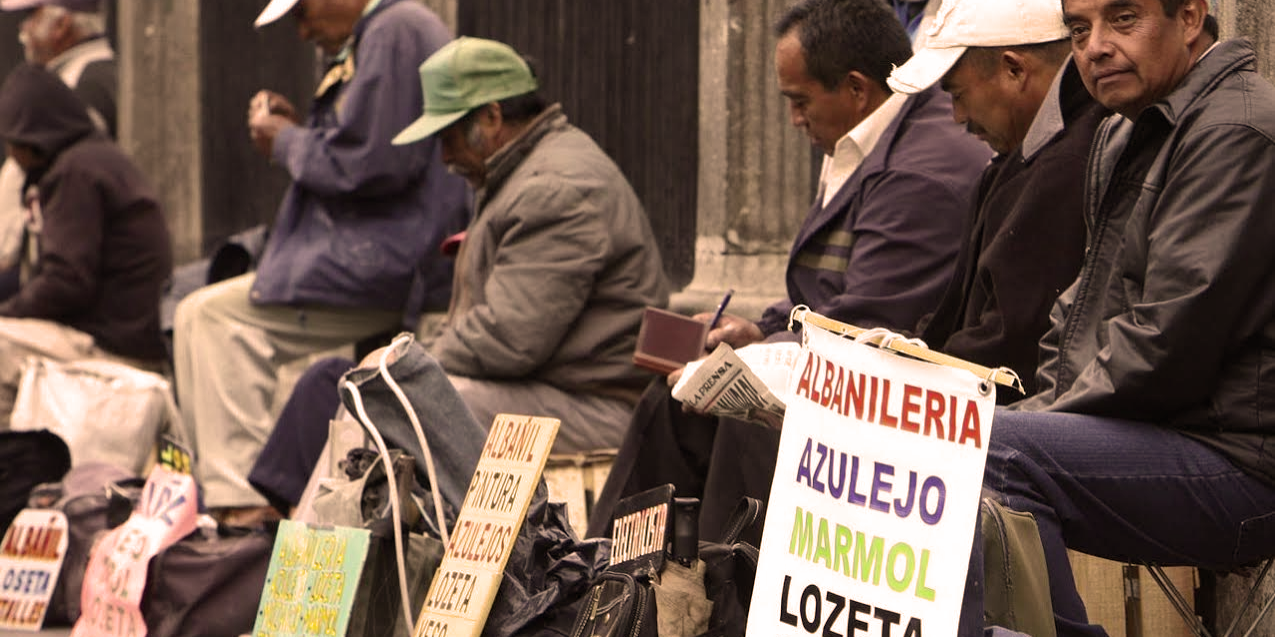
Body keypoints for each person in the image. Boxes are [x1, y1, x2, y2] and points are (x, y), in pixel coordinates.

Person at [586, 0, 991, 541]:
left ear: (855, 88)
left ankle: (727, 601)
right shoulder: (866, 139)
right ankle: (612, 578)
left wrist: (760, 353)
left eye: (800, 102)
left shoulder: (918, 174)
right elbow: (823, 292)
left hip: (894, 395)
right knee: (674, 400)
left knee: (741, 422)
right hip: (847, 365)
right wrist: (760, 329)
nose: (794, 120)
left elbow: (865, 325)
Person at [972, 0, 1275, 632]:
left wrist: (1026, 428)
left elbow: (1168, 344)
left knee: (994, 449)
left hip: (1245, 466)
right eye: (1080, 30)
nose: (1095, 47)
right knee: (964, 441)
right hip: (1174, 438)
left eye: (1123, 20)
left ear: (1189, 18)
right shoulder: (1126, 130)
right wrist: (1030, 418)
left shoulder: (1235, 129)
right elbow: (1077, 314)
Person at [172, 0, 469, 512]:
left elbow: (372, 164)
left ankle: (241, 504)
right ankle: (237, 496)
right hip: (387, 252)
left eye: (302, 12)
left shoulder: (395, 29)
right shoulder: (385, 32)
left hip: (392, 259)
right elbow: (368, 148)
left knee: (213, 318)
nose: (303, 30)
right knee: (199, 310)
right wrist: (302, 132)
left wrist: (287, 142)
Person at [391, 36, 670, 452]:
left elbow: (508, 339)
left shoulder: (553, 187)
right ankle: (327, 520)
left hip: (601, 410)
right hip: (557, 391)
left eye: (449, 137)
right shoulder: (523, 170)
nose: (445, 155)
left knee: (407, 402)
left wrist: (406, 362)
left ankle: (338, 521)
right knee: (380, 393)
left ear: (490, 117)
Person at [888, 0, 1107, 399]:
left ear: (1014, 69)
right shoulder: (1029, 156)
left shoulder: (1067, 166)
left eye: (957, 94)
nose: (957, 116)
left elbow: (1008, 350)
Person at [0, 63, 171, 422]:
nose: (11, 154)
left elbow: (67, 282)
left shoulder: (76, 173)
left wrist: (9, 312)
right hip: (124, 334)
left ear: (34, 138)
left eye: (13, 142)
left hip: (111, 346)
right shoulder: (97, 158)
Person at [0, 0, 115, 296]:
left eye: (30, 17)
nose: (22, 30)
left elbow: (64, 188)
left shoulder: (82, 85)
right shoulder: (71, 77)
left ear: (62, 25)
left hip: (54, 265)